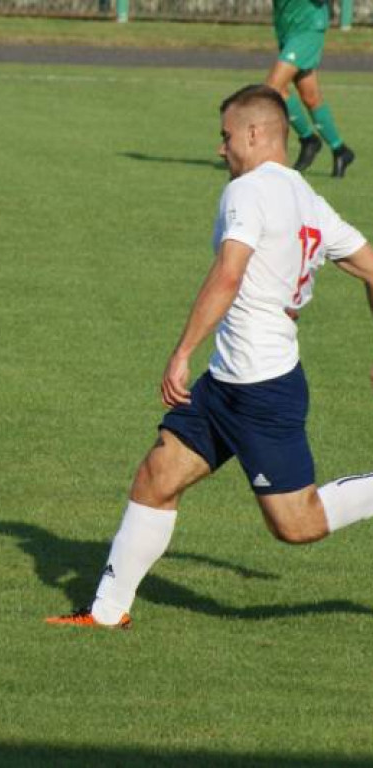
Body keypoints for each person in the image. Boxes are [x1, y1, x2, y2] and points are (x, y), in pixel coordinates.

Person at [47, 84, 373, 630]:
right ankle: (105, 614)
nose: (220, 148)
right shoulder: (306, 197)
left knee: (297, 525)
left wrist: (181, 352)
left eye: (226, 136)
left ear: (253, 134)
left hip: (262, 387)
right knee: (156, 475)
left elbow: (229, 272)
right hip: (227, 382)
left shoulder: (247, 191)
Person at [264, 0, 353, 177]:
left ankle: (308, 139)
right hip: (287, 24)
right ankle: (340, 149)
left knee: (272, 88)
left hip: (308, 26)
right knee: (310, 96)